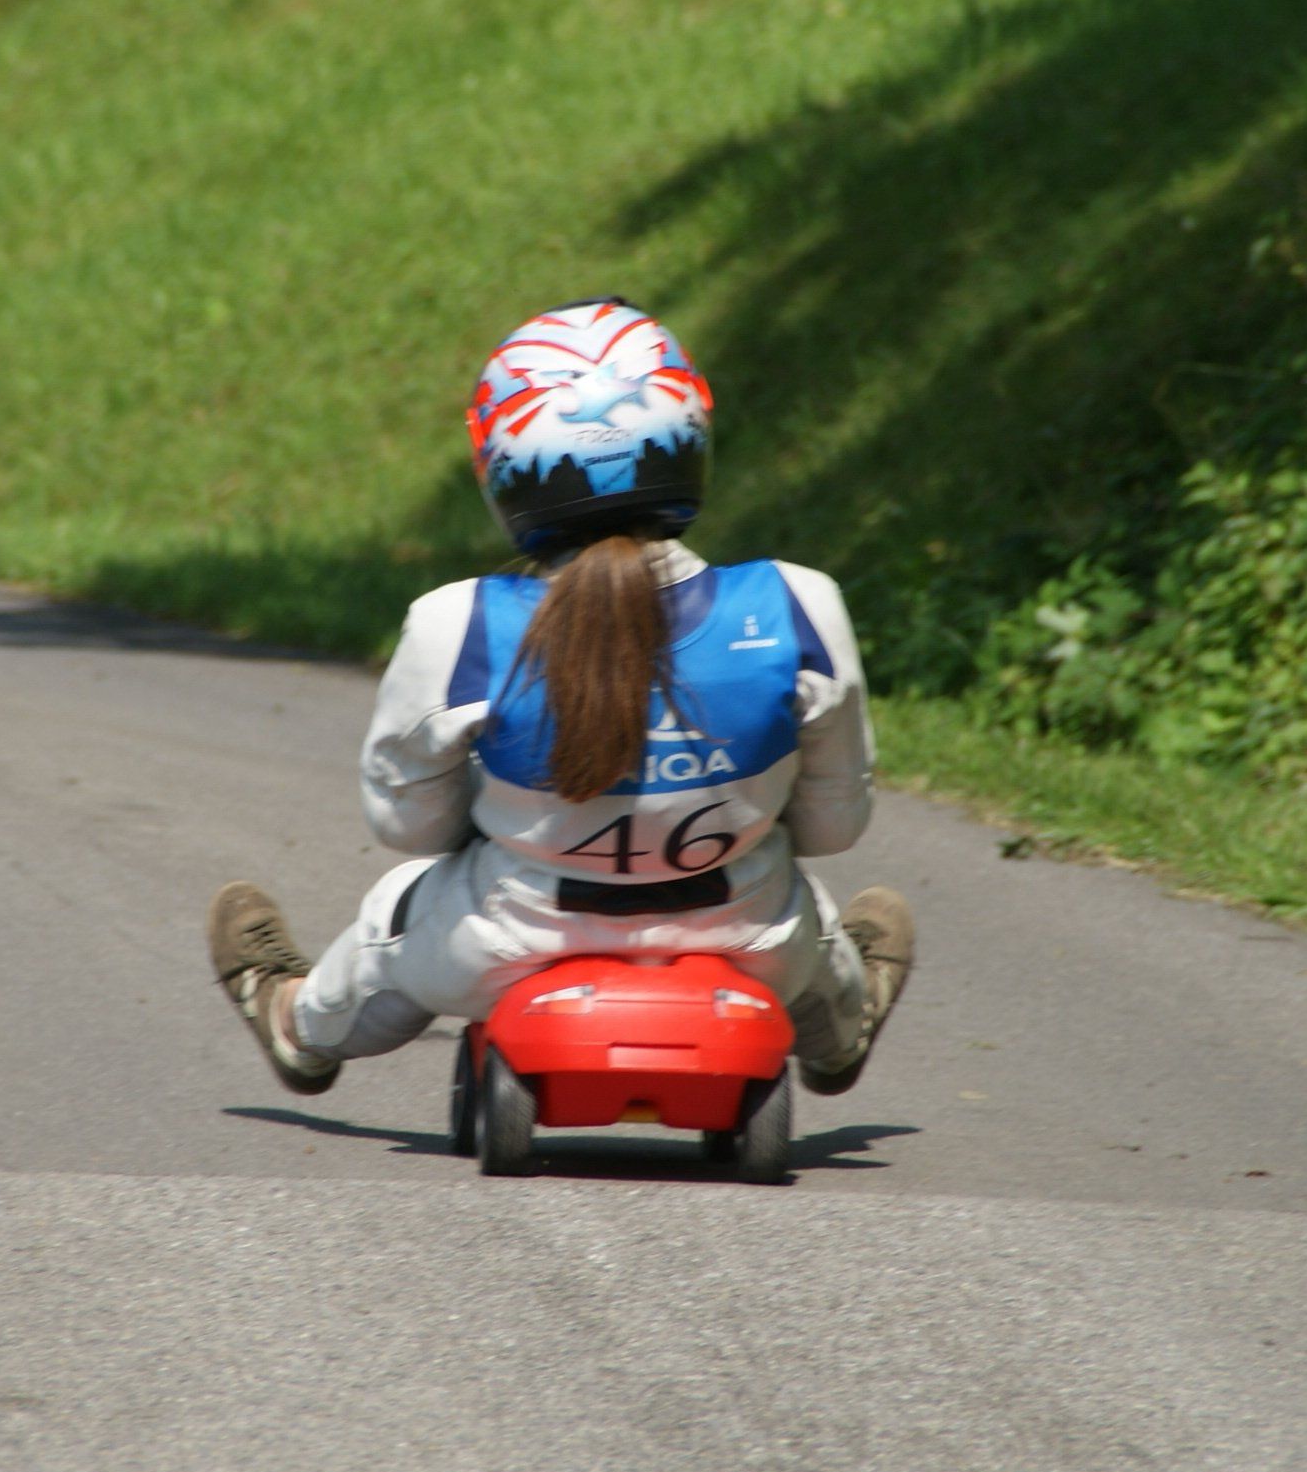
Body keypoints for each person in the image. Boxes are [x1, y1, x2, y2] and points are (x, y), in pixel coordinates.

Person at [206, 298, 917, 1103]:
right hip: (747, 939)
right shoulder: (797, 603)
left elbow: (408, 827)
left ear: (502, 464)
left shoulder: (459, 625)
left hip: (508, 943)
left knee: (396, 911)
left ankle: (297, 1022)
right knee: (806, 906)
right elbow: (834, 828)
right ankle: (841, 1026)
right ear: (690, 435)